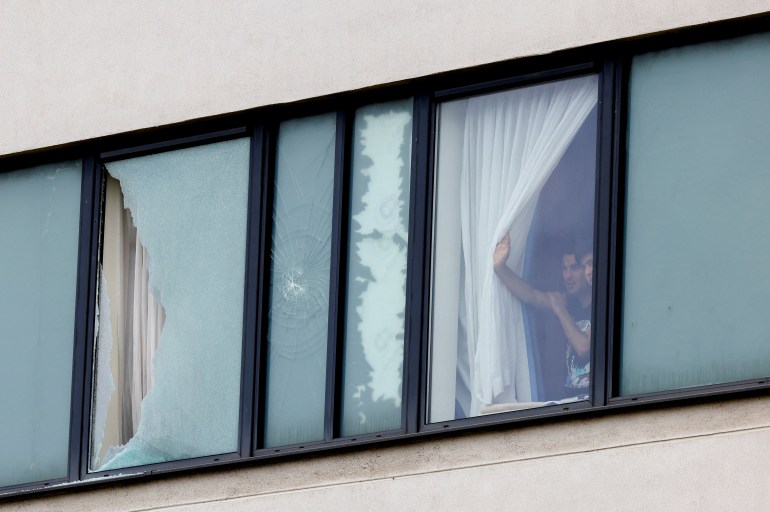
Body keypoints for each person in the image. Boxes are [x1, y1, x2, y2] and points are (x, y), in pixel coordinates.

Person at [493, 233, 592, 397]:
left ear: (588, 268)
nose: (568, 276)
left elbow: (583, 348)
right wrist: (500, 267)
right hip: (570, 400)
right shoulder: (567, 302)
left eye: (574, 268)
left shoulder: (600, 305)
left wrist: (560, 310)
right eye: (564, 269)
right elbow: (530, 295)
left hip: (594, 401)